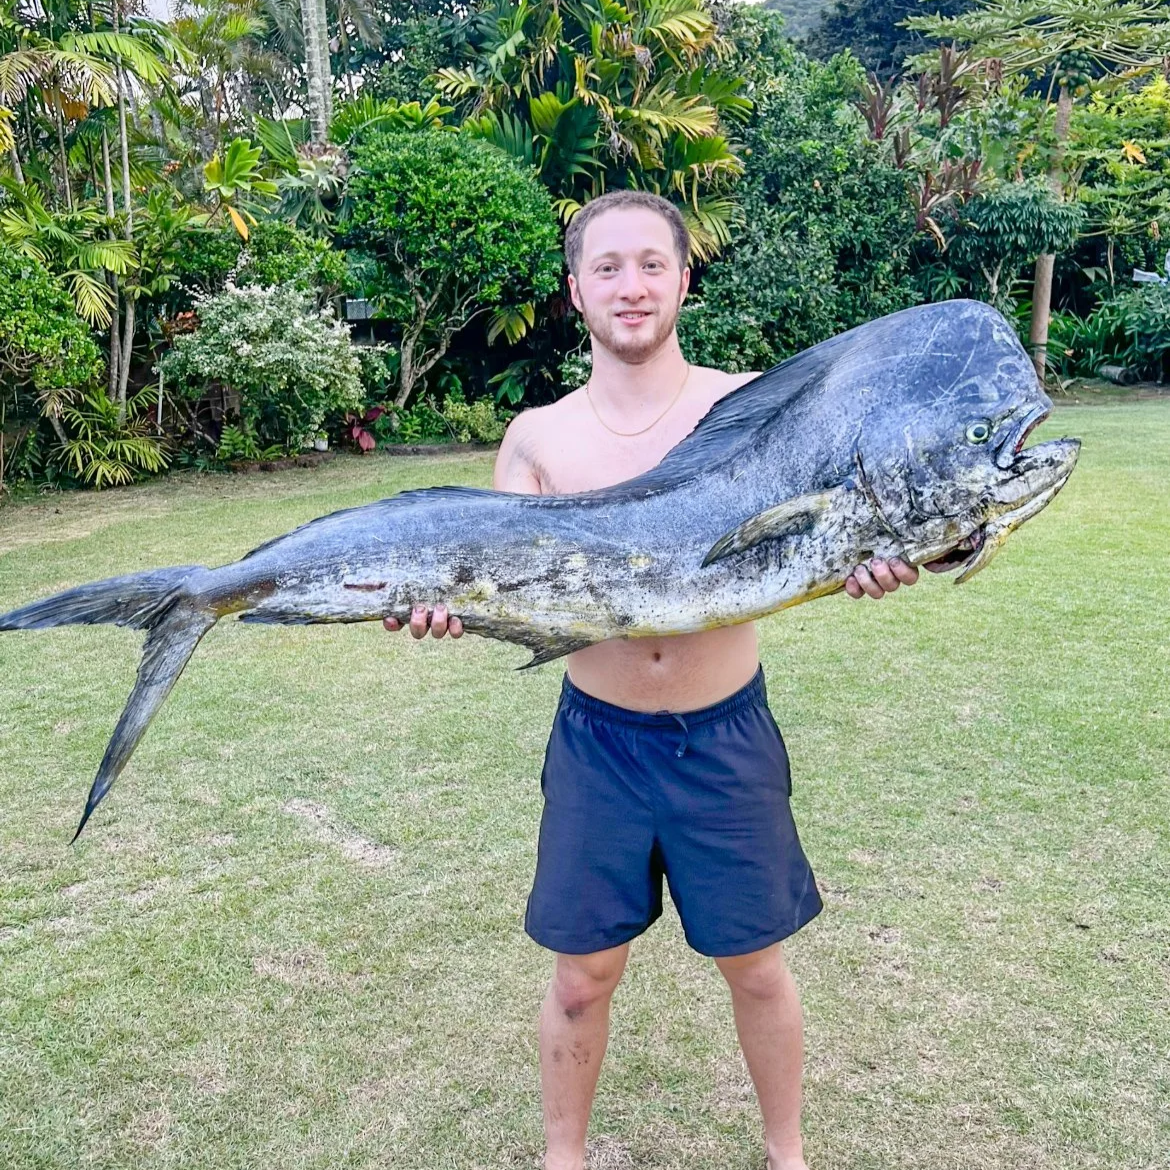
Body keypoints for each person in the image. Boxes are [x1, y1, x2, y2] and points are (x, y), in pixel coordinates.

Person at [384, 190, 922, 1170]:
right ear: (575, 292)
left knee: (756, 970)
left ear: (684, 277)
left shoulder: (754, 405)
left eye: (650, 264)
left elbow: (821, 529)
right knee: (583, 977)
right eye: (606, 267)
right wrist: (446, 609)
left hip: (727, 736)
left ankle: (787, 1155)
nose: (630, 285)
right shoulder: (538, 437)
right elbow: (510, 590)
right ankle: (564, 1157)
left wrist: (868, 561)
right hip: (600, 743)